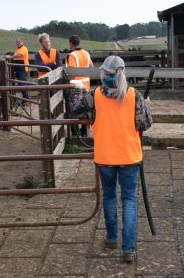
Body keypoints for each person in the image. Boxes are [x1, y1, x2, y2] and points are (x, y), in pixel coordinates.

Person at [71, 55, 152, 264]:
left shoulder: (95, 94)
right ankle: (128, 249)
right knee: (129, 200)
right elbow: (145, 124)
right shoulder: (135, 95)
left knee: (109, 197)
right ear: (122, 72)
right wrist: (146, 106)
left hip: (105, 156)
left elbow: (77, 111)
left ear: (104, 73)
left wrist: (79, 94)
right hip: (129, 156)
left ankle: (111, 239)